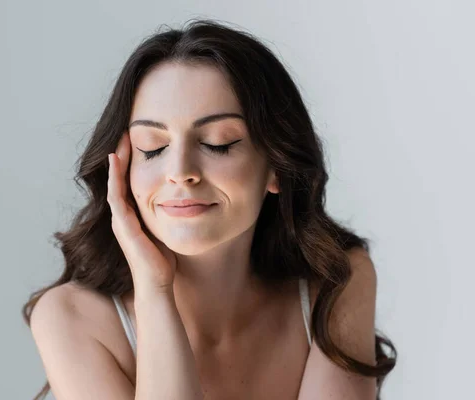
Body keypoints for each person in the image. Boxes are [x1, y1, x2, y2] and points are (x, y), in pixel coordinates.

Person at [22, 18, 396, 400]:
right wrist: (154, 290)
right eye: (152, 147)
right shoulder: (70, 318)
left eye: (218, 143)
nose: (180, 172)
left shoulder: (336, 283)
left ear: (276, 167)